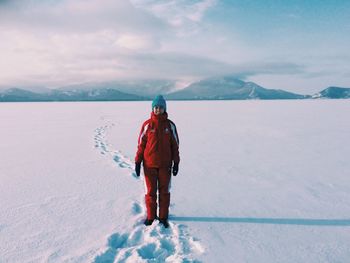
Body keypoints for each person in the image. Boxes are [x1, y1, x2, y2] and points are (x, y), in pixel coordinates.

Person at [135, 95, 180, 228]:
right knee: (150, 192)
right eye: (155, 107)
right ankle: (150, 216)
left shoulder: (170, 125)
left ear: (164, 108)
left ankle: (163, 217)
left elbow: (175, 146)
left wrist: (176, 162)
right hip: (149, 165)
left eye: (160, 107)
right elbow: (141, 145)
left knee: (164, 192)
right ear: (152, 108)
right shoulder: (147, 125)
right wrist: (138, 161)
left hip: (165, 165)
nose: (157, 109)